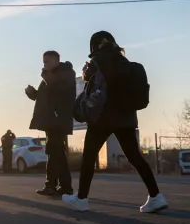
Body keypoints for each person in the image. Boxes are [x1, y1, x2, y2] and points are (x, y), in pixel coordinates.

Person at [63, 31, 168, 213]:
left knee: (88, 157)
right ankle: (156, 196)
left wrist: (88, 76)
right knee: (135, 157)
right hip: (126, 117)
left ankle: (81, 199)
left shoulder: (96, 62)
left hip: (102, 118)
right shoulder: (126, 64)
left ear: (94, 47)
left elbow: (94, 89)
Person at [26, 51, 76, 196]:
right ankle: (63, 186)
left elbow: (58, 89)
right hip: (51, 120)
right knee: (56, 153)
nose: (44, 65)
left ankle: (53, 185)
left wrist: (45, 73)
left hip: (58, 119)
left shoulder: (65, 73)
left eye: (47, 61)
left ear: (56, 60)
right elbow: (45, 97)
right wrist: (32, 93)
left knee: (54, 153)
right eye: (43, 62)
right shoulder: (51, 76)